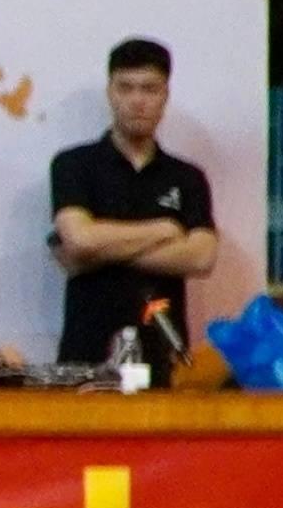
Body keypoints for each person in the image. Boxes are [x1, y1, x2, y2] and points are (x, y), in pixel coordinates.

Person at [51, 38, 223, 370]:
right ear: (110, 92)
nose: (137, 101)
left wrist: (97, 254)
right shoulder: (73, 165)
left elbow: (202, 256)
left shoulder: (187, 177)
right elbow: (80, 239)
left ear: (165, 96)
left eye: (149, 89)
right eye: (126, 88)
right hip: (86, 353)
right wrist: (165, 229)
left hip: (163, 352)